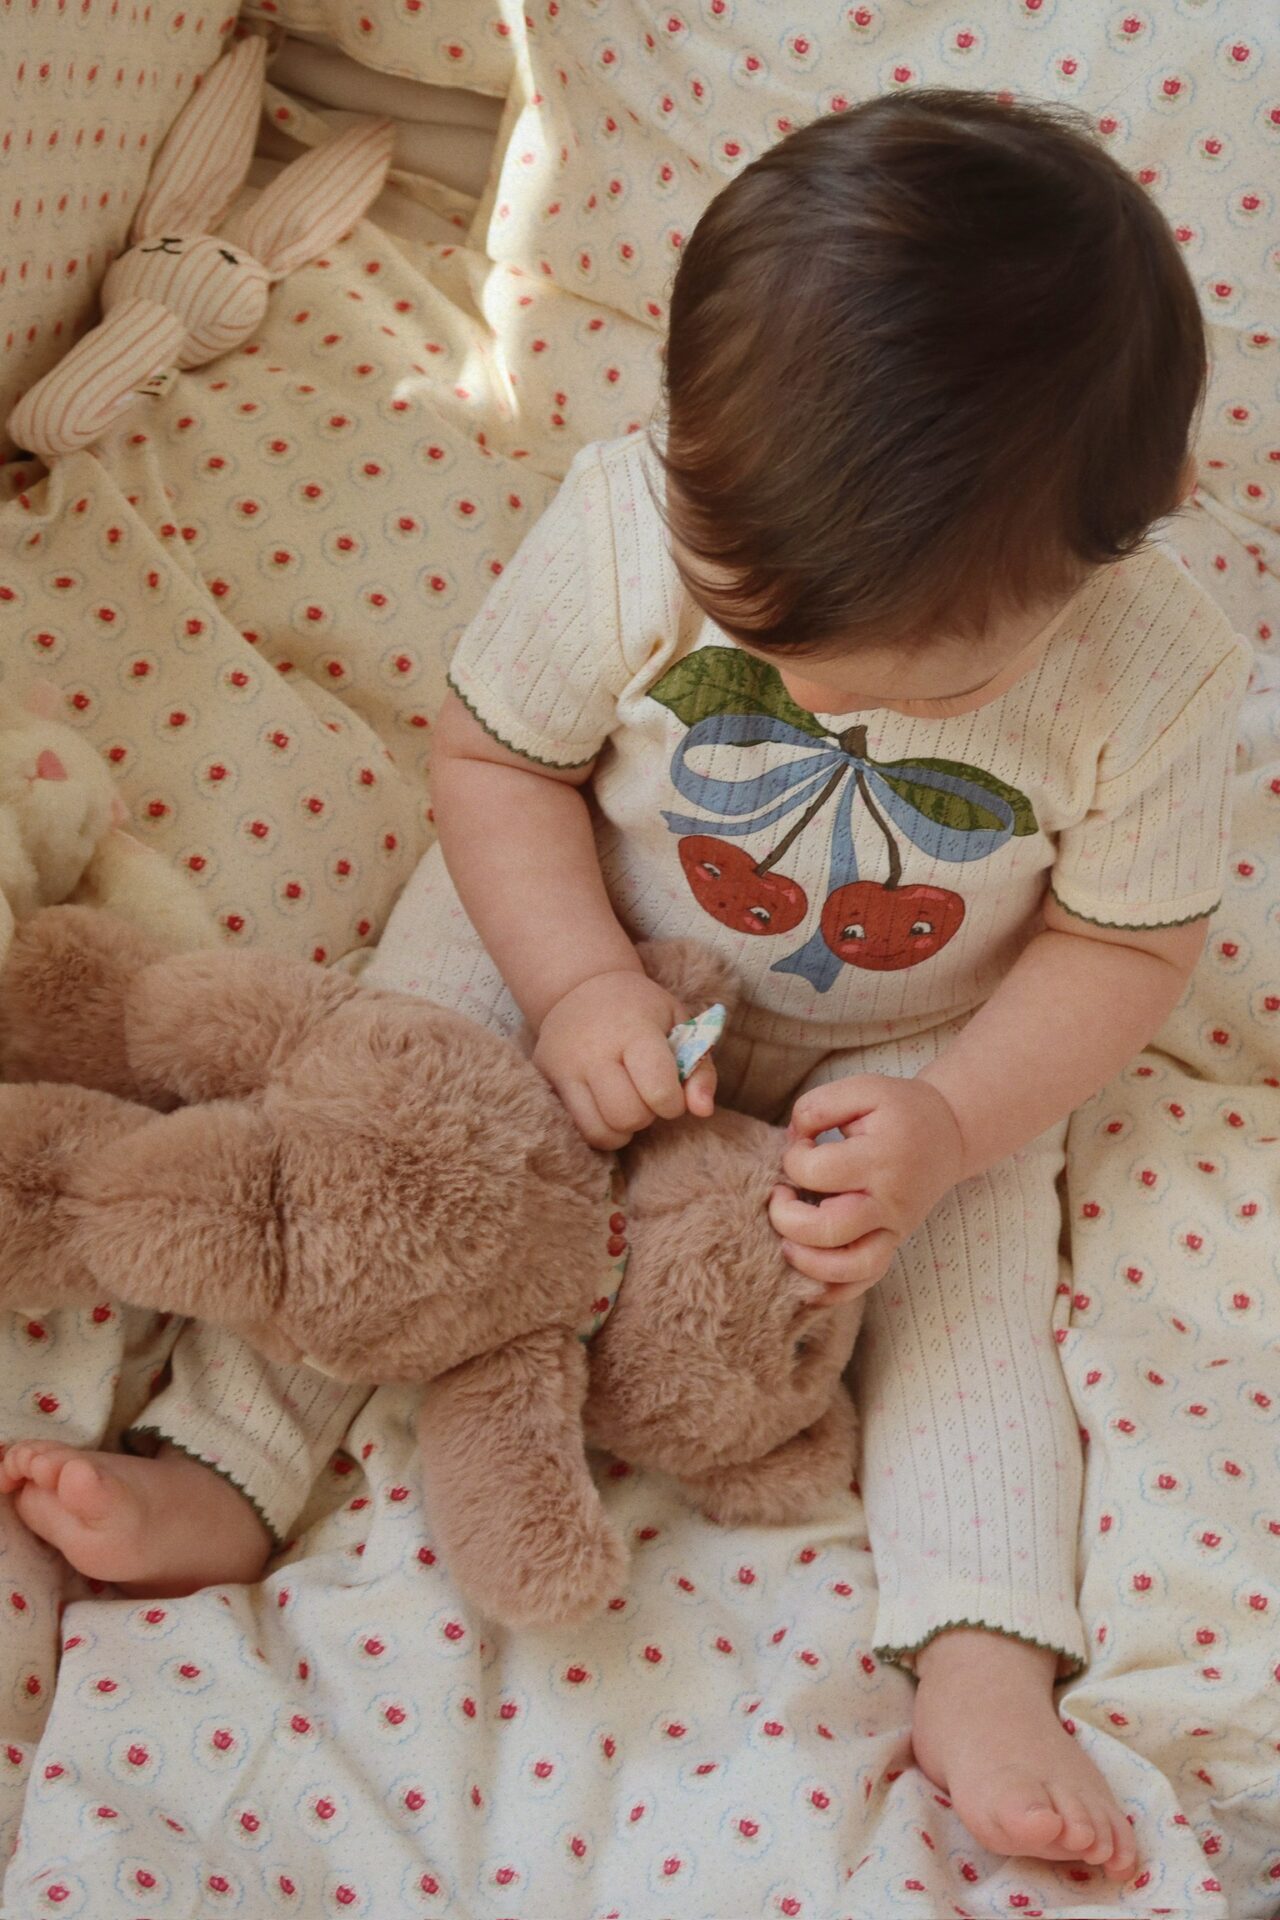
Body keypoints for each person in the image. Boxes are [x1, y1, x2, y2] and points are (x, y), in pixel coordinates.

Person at [1, 90, 1248, 1878]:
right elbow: (500, 760)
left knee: (972, 1299)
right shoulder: (634, 519)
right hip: (578, 919)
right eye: (767, 643)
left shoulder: (1158, 670)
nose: (816, 704)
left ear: (1137, 525)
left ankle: (982, 1653)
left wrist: (954, 1120)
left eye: (918, 685)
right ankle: (232, 1451)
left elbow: (1124, 946)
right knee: (382, 1123)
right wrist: (577, 979)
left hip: (923, 1043)